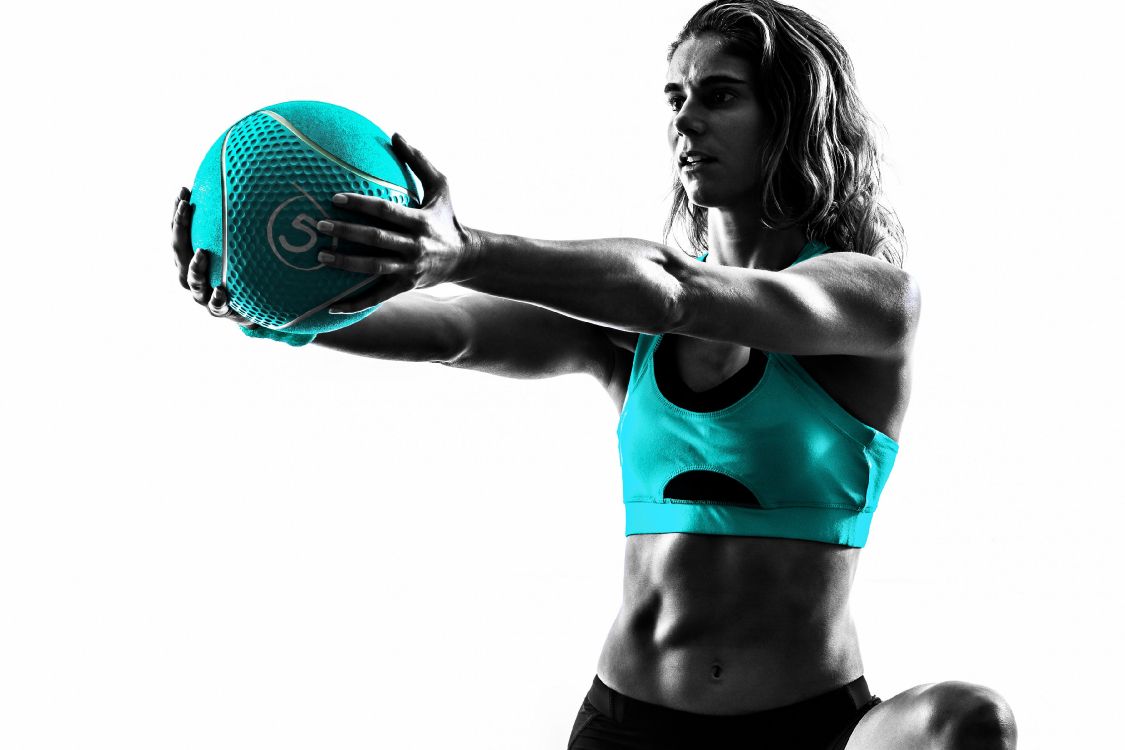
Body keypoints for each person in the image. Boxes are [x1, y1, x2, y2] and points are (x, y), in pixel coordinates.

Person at [171, 2, 1018, 747]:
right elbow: (452, 332)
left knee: (968, 720)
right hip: (630, 727)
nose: (686, 123)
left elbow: (680, 293)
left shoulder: (868, 299)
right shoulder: (626, 332)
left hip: (813, 726)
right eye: (675, 98)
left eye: (719, 95)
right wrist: (266, 311)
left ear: (790, 118)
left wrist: (463, 250)